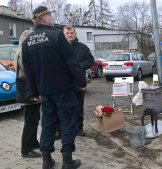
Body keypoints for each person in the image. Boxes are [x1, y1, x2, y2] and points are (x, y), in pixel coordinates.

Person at [22, 6, 86, 169]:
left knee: (48, 123)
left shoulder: (27, 42)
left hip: (45, 91)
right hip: (63, 89)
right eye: (50, 15)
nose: (52, 17)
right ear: (44, 18)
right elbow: (72, 62)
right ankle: (67, 161)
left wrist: (34, 91)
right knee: (67, 122)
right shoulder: (56, 36)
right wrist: (81, 82)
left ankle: (46, 160)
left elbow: (28, 71)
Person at [63, 25, 94, 137]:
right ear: (64, 35)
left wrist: (79, 66)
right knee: (65, 107)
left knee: (78, 106)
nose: (70, 35)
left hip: (79, 82)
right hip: (64, 82)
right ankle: (65, 129)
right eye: (67, 33)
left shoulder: (83, 47)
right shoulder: (59, 47)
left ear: (75, 34)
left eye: (72, 33)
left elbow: (90, 60)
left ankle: (79, 128)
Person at [15, 30, 41, 158]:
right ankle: (26, 149)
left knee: (34, 118)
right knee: (30, 120)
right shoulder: (23, 52)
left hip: (29, 89)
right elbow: (27, 71)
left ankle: (33, 142)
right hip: (28, 89)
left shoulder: (22, 51)